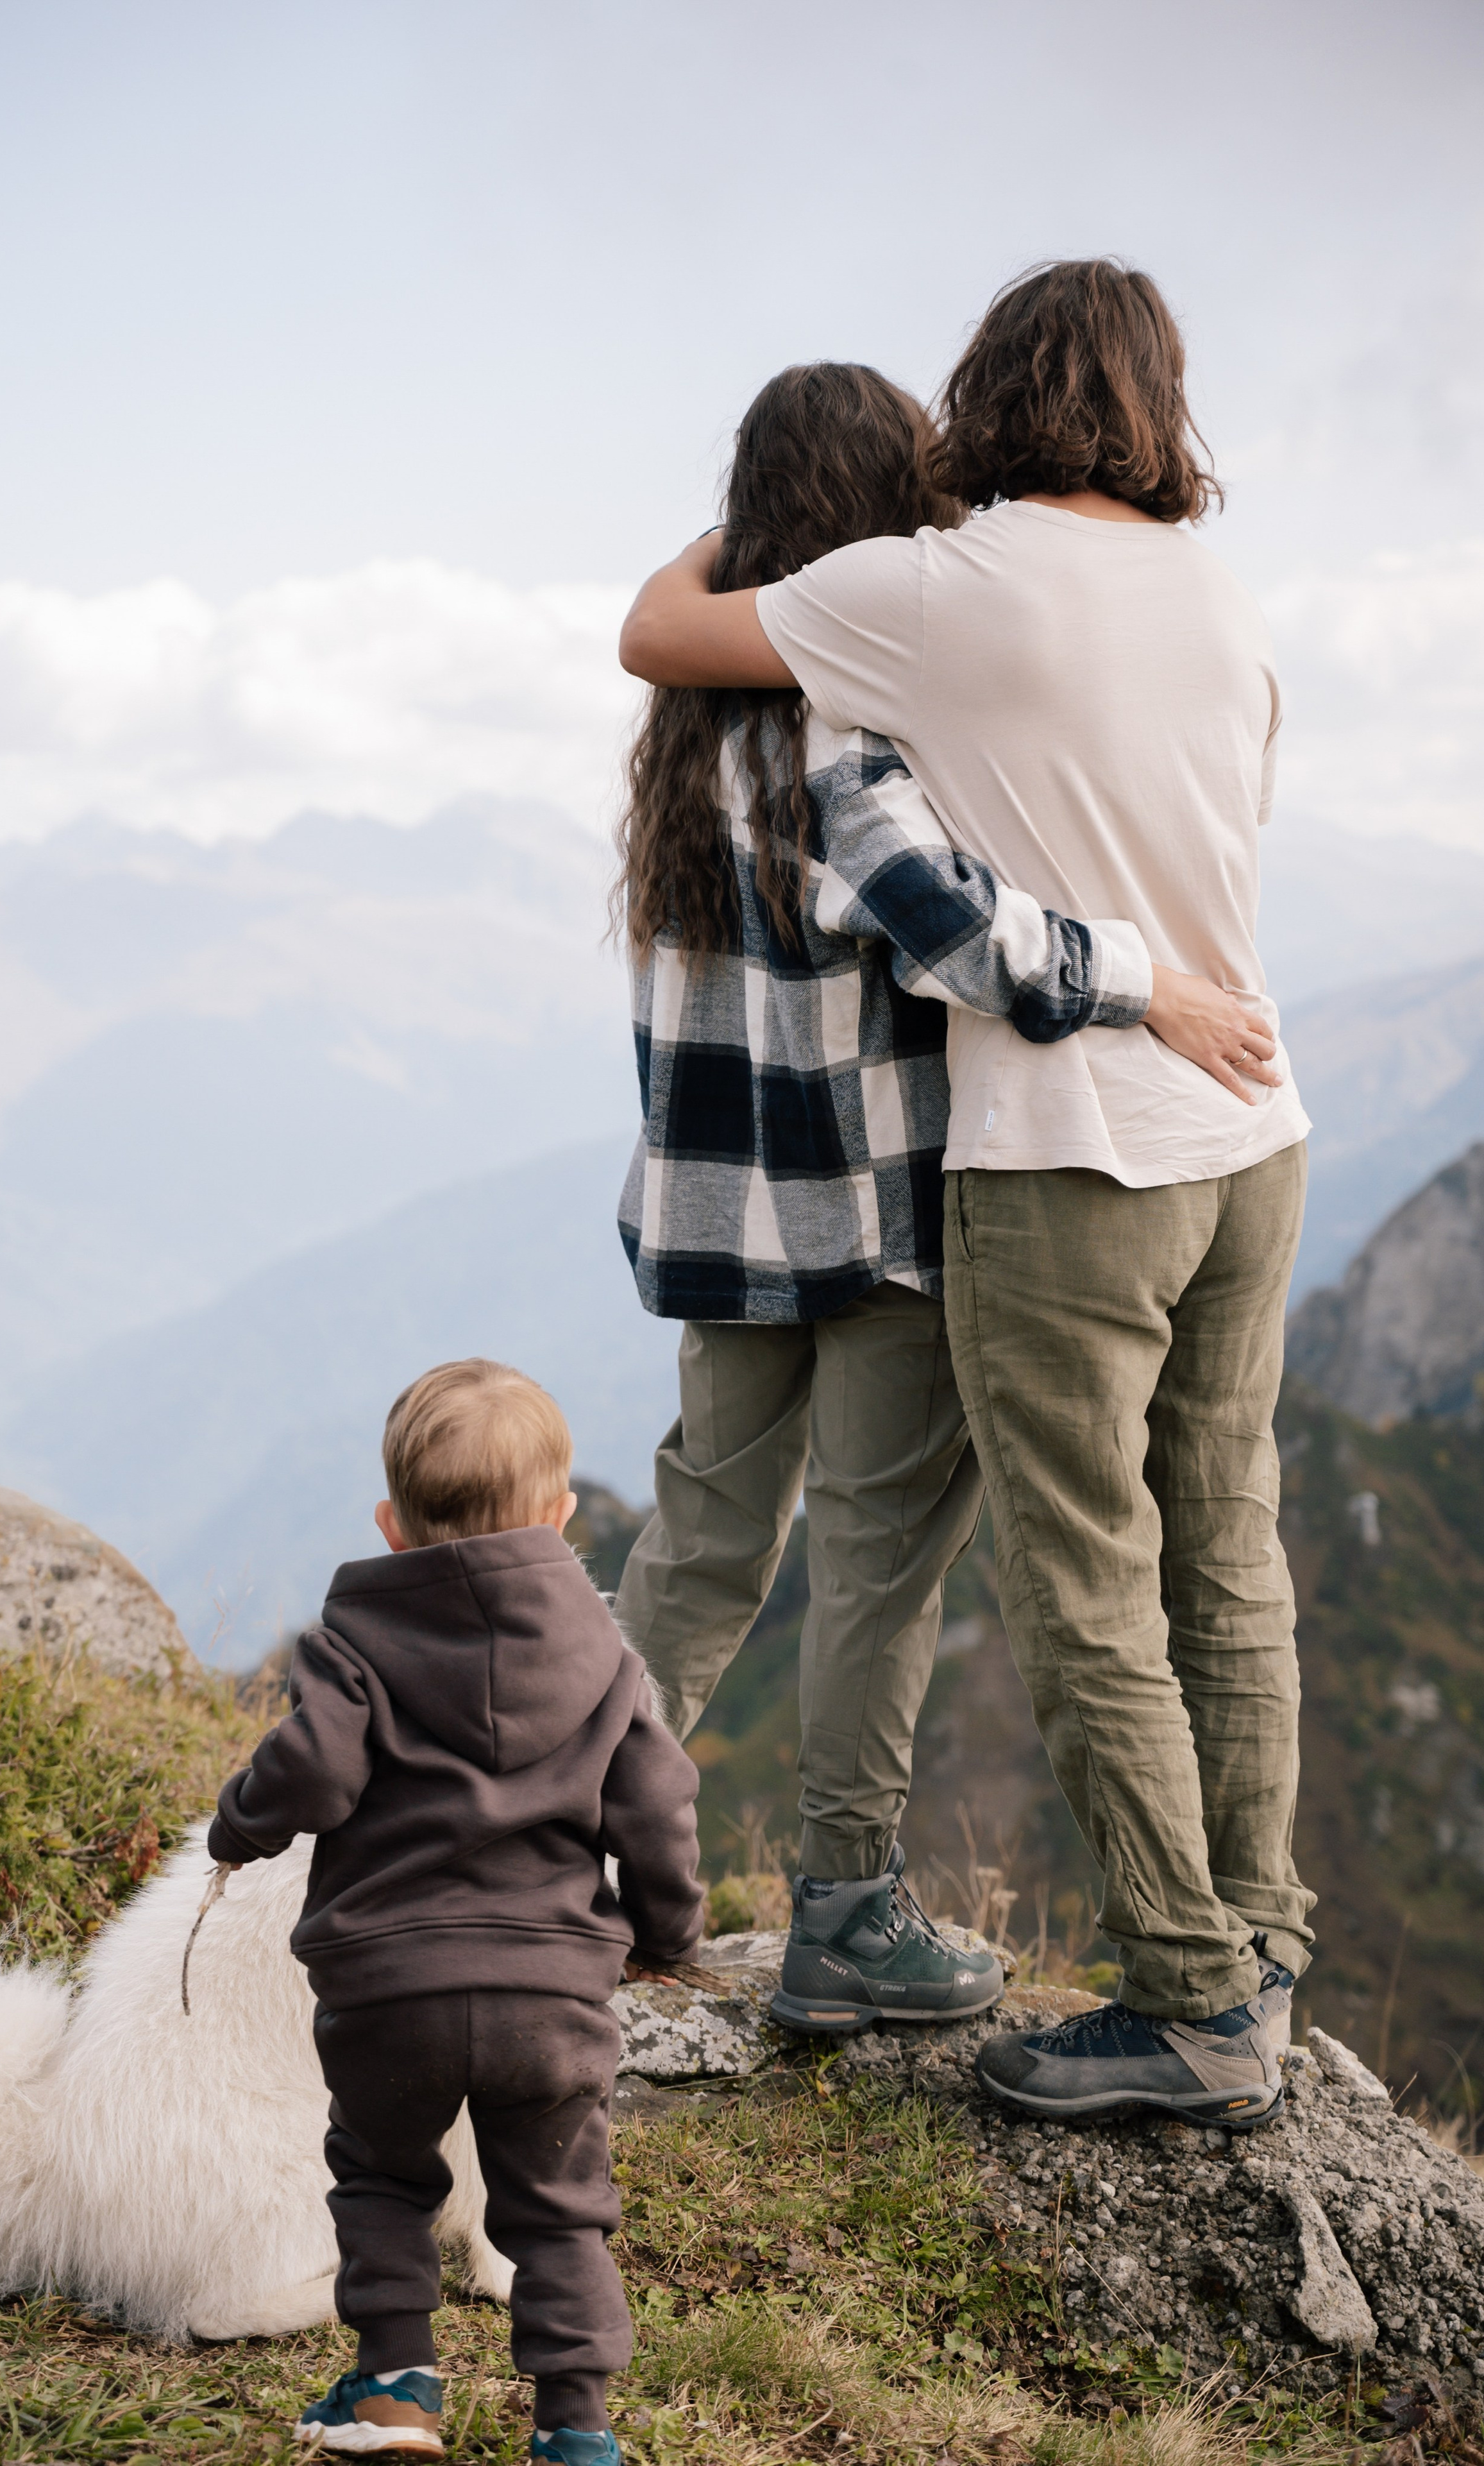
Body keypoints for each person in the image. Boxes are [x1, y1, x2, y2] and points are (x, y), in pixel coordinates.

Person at [620, 264, 1313, 2133]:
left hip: (797, 1197)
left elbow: (657, 626)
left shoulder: (735, 722)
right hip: (1034, 1179)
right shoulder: (1133, 620)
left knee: (728, 1538)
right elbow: (959, 910)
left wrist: (780, 516)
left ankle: (557, 1850)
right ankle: (942, 1915)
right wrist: (1157, 980)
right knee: (963, 1552)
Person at [208, 1358, 703, 2463]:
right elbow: (659, 1805)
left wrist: (240, 1825)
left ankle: (392, 2390)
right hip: (551, 1998)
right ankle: (576, 2431)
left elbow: (316, 1774)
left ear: (390, 1524)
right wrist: (669, 1934)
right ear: (564, 1516)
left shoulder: (350, 1643)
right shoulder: (605, 1657)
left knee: (382, 2173)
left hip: (390, 1989)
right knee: (561, 2212)